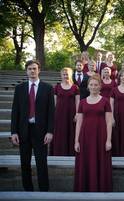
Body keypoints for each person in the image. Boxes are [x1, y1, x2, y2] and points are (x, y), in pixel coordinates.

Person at [11, 60, 55, 191]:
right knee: (25, 163)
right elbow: (15, 111)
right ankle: (28, 192)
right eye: (29, 69)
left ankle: (44, 192)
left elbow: (51, 112)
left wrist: (50, 131)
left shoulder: (47, 88)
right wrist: (14, 132)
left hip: (41, 132)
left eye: (34, 68)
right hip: (23, 131)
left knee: (42, 164)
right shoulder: (19, 88)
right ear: (26, 71)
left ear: (39, 70)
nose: (32, 71)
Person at [74, 74, 113, 192]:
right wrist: (76, 141)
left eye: (96, 85)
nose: (93, 87)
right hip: (85, 137)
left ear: (100, 86)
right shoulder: (82, 102)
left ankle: (100, 188)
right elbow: (79, 123)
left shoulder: (105, 102)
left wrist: (108, 140)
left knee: (100, 161)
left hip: (100, 136)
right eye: (91, 85)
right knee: (86, 162)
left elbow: (109, 122)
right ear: (88, 86)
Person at [51, 67, 80, 156]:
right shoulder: (57, 87)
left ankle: (71, 153)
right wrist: (53, 114)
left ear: (70, 75)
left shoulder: (75, 87)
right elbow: (54, 102)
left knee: (71, 132)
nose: (65, 76)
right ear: (61, 76)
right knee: (60, 133)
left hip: (71, 114)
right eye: (63, 74)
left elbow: (78, 101)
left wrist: (77, 113)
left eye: (67, 74)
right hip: (59, 114)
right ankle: (58, 154)